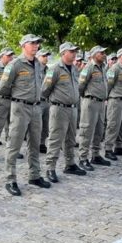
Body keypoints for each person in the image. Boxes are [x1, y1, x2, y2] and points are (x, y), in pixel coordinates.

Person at [0, 34, 51, 196]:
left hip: (36, 107)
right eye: (32, 43)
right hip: (20, 107)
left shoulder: (38, 64)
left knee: (35, 143)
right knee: (14, 144)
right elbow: (3, 88)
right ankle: (10, 179)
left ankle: (34, 175)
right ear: (23, 45)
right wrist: (17, 98)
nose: (36, 46)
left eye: (37, 43)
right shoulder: (14, 65)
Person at [43, 42, 86, 183]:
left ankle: (70, 164)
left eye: (75, 51)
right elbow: (45, 90)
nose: (74, 54)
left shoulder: (73, 68)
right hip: (59, 108)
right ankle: (50, 167)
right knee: (56, 139)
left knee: (71, 138)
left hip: (72, 108)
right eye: (71, 51)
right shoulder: (55, 68)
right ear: (63, 53)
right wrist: (54, 102)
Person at [77, 45, 111, 171]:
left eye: (104, 53)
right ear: (94, 54)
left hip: (101, 103)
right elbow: (80, 85)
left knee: (99, 130)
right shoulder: (89, 67)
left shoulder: (103, 67)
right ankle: (83, 158)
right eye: (101, 53)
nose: (104, 55)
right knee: (87, 130)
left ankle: (96, 155)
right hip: (90, 102)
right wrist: (86, 97)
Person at [104, 48, 122, 161]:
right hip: (115, 100)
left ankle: (119, 146)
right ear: (121, 56)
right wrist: (106, 98)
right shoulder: (114, 68)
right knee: (113, 125)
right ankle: (108, 149)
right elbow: (108, 85)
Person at [36, 49, 51, 154]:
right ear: (38, 57)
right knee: (37, 125)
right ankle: (34, 144)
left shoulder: (48, 70)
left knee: (46, 125)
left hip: (47, 101)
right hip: (38, 101)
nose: (46, 58)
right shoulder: (35, 69)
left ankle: (42, 143)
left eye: (47, 56)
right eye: (44, 56)